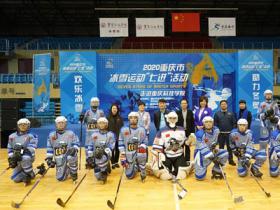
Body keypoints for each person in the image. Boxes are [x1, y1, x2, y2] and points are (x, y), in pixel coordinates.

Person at [151, 112, 194, 180]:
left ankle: (190, 165)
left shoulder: (182, 129)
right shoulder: (161, 131)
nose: (172, 120)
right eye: (170, 118)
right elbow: (157, 146)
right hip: (166, 156)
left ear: (176, 119)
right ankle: (151, 167)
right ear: (167, 119)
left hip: (179, 155)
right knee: (165, 177)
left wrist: (189, 140)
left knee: (182, 176)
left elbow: (186, 142)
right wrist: (159, 155)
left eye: (174, 118)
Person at [7, 118, 45, 185]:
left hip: (28, 156)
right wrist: (12, 159)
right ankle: (38, 170)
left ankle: (29, 175)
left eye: (25, 124)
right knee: (15, 178)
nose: (23, 126)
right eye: (21, 125)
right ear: (18, 126)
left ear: (28, 125)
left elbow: (32, 148)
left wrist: (21, 151)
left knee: (25, 158)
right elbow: (9, 148)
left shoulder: (32, 136)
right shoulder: (11, 136)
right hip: (16, 157)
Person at [46, 116, 79, 182]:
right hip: (59, 158)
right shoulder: (51, 135)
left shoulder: (71, 133)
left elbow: (76, 143)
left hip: (69, 156)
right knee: (60, 178)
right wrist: (49, 159)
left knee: (71, 157)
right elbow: (49, 148)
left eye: (62, 123)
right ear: (56, 124)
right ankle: (67, 170)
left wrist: (74, 149)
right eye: (59, 123)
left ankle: (73, 172)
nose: (60, 124)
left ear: (65, 124)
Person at [119, 112, 147, 182]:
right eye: (131, 118)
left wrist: (142, 146)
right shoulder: (123, 130)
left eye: (135, 118)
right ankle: (135, 166)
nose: (133, 119)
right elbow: (120, 143)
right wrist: (122, 154)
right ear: (129, 119)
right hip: (128, 154)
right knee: (129, 176)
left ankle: (142, 167)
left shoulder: (142, 129)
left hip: (139, 152)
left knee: (142, 152)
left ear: (137, 119)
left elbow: (145, 142)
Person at [85, 117, 115, 183]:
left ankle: (105, 169)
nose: (101, 125)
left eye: (103, 123)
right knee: (98, 177)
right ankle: (104, 168)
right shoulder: (94, 135)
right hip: (96, 156)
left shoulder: (110, 134)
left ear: (106, 124)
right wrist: (89, 157)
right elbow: (90, 146)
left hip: (106, 155)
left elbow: (112, 146)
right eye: (100, 123)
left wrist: (105, 152)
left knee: (103, 176)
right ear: (98, 125)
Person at [214, 100, 236, 166]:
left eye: (225, 104)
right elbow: (215, 124)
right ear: (220, 105)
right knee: (221, 148)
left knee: (230, 148)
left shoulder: (231, 113)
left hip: (229, 134)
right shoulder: (217, 114)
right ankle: (220, 160)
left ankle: (231, 160)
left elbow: (234, 123)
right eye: (222, 104)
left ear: (227, 105)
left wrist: (232, 131)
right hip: (221, 134)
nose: (223, 105)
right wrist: (217, 131)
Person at [107, 104, 124, 169]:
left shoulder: (120, 118)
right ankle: (113, 162)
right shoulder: (108, 118)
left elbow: (122, 127)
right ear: (111, 109)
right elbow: (106, 127)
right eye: (113, 108)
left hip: (118, 136)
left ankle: (116, 162)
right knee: (111, 150)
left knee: (117, 150)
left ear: (117, 110)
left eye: (115, 108)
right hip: (110, 137)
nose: (114, 109)